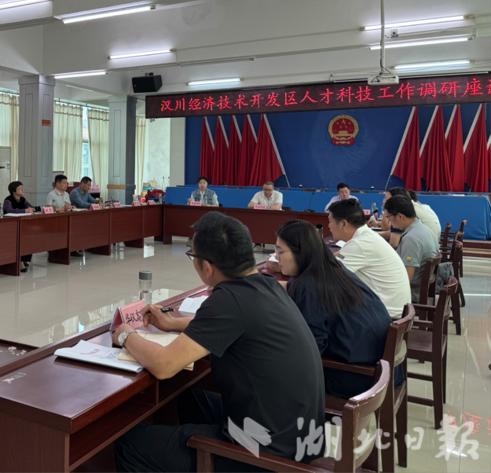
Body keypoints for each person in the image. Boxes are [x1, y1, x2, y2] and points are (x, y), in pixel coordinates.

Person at [113, 212, 324, 473]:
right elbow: (236, 323)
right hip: (299, 439)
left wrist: (126, 334)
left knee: (129, 444)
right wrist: (172, 323)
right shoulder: (266, 284)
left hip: (266, 454)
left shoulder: (228, 299)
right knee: (189, 397)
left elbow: (164, 364)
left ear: (207, 267)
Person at [275, 220, 402, 399]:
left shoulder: (309, 285)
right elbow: (291, 286)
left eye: (280, 251)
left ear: (301, 252)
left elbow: (310, 348)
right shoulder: (333, 269)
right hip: (384, 370)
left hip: (359, 378)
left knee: (268, 372)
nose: (276, 257)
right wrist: (259, 282)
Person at [327, 199, 410, 317]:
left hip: (386, 316)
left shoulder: (359, 244)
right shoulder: (366, 236)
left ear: (344, 224)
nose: (329, 226)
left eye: (330, 221)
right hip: (395, 310)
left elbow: (327, 275)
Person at [383, 196, 440, 303]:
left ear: (400, 216)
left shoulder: (411, 239)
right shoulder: (424, 229)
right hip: (420, 288)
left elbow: (407, 277)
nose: (389, 221)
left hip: (411, 293)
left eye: (388, 217)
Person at [4, 181, 35, 272]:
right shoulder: (8, 200)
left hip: (23, 224)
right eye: (20, 188)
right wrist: (24, 211)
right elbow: (10, 210)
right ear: (14, 191)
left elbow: (31, 207)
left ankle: (24, 259)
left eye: (23, 188)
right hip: (10, 226)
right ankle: (20, 261)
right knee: (20, 240)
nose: (22, 190)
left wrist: (32, 209)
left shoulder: (23, 199)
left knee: (29, 238)